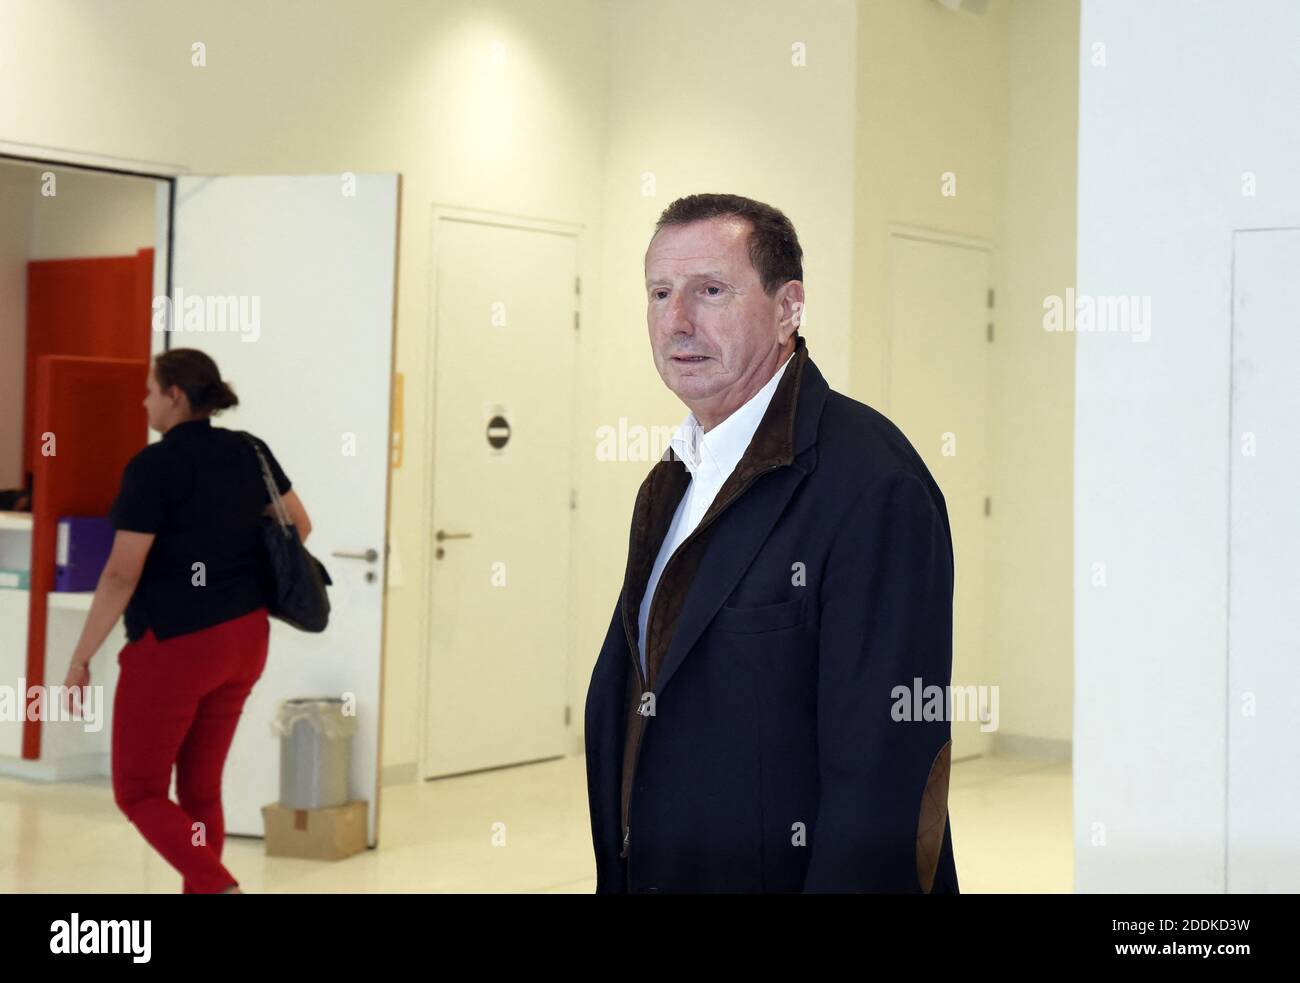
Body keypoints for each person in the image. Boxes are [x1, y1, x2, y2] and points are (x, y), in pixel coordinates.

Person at [584, 194, 959, 893]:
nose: (676, 320)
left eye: (710, 291)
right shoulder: (672, 477)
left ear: (789, 308)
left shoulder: (872, 484)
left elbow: (882, 776)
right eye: (660, 292)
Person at [62, 347, 312, 894]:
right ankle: (208, 886)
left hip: (175, 645)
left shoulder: (153, 467)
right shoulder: (250, 450)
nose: (144, 399)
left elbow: (121, 576)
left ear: (175, 395)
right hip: (245, 638)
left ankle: (218, 886)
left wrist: (80, 658)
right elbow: (300, 524)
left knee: (139, 791)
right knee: (200, 791)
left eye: (151, 389)